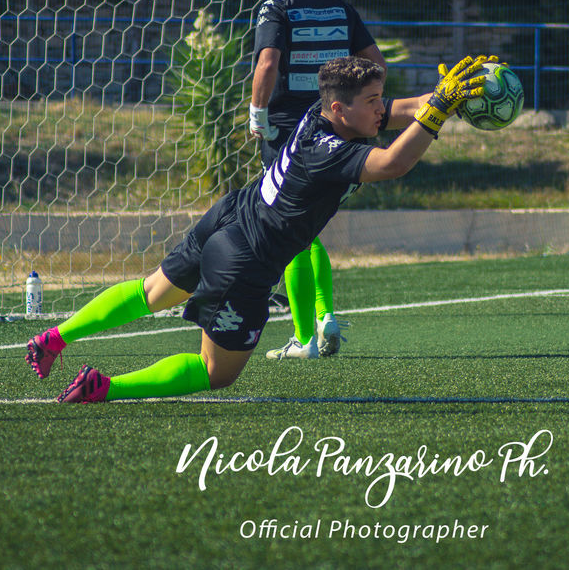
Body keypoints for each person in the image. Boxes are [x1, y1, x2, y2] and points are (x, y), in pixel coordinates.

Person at [26, 53, 492, 403]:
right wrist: (437, 113)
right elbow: (392, 163)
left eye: (378, 99)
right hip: (244, 260)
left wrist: (448, 97)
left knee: (152, 293)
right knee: (216, 373)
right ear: (339, 108)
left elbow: (400, 109)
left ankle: (54, 337)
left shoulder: (324, 115)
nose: (380, 110)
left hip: (229, 215)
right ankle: (103, 388)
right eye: (371, 102)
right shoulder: (329, 152)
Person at [248, 0, 387, 360]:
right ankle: (325, 315)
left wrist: (257, 115)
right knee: (309, 229)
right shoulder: (339, 7)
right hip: (335, 123)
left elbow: (268, 63)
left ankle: (304, 338)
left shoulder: (276, 6)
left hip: (292, 127)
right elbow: (375, 64)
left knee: (288, 229)